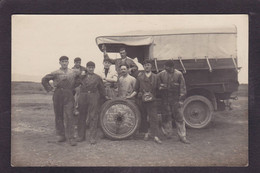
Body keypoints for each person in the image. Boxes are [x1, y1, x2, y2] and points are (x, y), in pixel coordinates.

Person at [41, 56, 79, 146]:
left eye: (66, 61)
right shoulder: (55, 73)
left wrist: (73, 87)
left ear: (68, 62)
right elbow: (44, 80)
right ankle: (61, 135)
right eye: (63, 61)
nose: (64, 63)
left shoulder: (73, 72)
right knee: (58, 115)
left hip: (69, 95)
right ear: (60, 62)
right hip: (58, 95)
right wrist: (50, 89)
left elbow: (79, 79)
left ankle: (71, 137)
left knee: (70, 116)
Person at [157, 60, 190, 144]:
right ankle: (168, 134)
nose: (164, 68)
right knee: (166, 117)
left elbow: (183, 88)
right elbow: (156, 84)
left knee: (179, 118)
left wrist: (181, 100)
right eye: (164, 66)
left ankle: (182, 136)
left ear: (171, 67)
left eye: (166, 67)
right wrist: (160, 87)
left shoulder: (178, 74)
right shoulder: (161, 74)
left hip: (176, 100)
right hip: (165, 100)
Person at [77, 61, 106, 144]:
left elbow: (102, 90)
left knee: (93, 116)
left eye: (92, 67)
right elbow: (75, 84)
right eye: (89, 67)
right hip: (83, 96)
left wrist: (103, 98)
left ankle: (92, 137)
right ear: (86, 68)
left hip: (93, 96)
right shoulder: (82, 77)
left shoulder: (97, 78)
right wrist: (80, 76)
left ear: (94, 68)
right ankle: (81, 136)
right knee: (81, 116)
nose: (91, 69)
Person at [135, 59, 162, 144]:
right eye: (145, 65)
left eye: (148, 65)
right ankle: (146, 133)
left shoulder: (156, 77)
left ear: (151, 66)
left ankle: (155, 135)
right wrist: (137, 94)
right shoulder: (139, 77)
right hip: (142, 100)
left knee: (153, 118)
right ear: (143, 67)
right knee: (143, 116)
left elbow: (159, 88)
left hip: (152, 100)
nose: (147, 66)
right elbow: (136, 89)